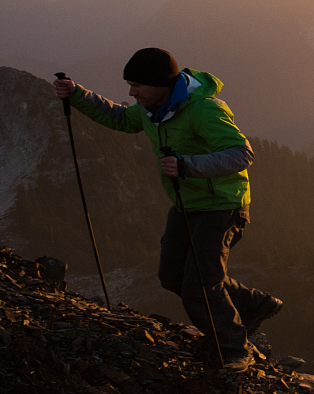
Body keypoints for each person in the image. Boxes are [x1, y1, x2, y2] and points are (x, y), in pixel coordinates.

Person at [53, 48, 281, 368]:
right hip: (186, 204)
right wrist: (77, 94)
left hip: (223, 206)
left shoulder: (203, 110)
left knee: (200, 285)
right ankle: (254, 305)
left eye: (137, 85)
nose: (131, 92)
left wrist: (187, 166)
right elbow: (119, 116)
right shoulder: (151, 110)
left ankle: (233, 350)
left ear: (161, 84)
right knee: (172, 275)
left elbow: (241, 154)